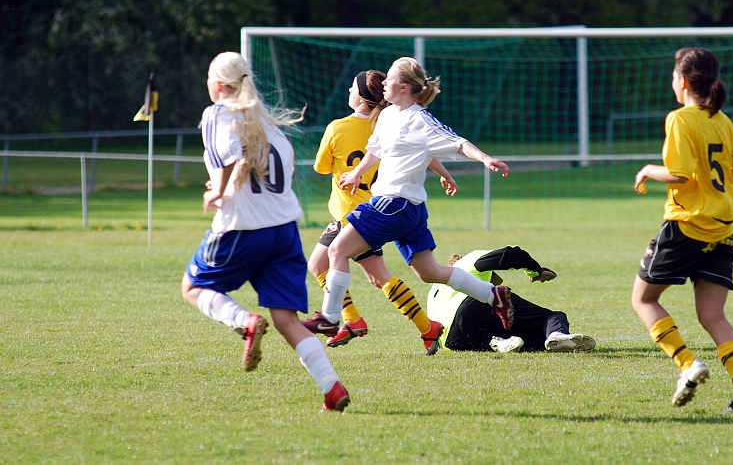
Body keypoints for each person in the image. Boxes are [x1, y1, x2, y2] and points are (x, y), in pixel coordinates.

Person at [180, 52, 349, 412]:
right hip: (284, 231)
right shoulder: (270, 126)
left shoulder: (217, 113)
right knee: (286, 319)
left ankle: (244, 322)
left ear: (220, 84)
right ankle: (331, 388)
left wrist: (219, 192)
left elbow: (228, 157)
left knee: (193, 287)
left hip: (243, 229)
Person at [323, 56, 514, 351]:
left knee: (336, 250)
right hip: (407, 210)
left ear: (402, 86)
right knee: (430, 273)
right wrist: (357, 173)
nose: (383, 82)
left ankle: (330, 318)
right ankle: (493, 295)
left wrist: (485, 158)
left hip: (392, 204)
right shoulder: (387, 115)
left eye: (388, 78)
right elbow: (376, 151)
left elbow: (458, 142)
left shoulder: (420, 119)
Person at [632, 47, 733, 413]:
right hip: (722, 231)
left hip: (687, 226)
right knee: (713, 315)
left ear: (684, 81)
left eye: (674, 76)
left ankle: (688, 364)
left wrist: (646, 170)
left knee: (643, 300)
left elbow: (680, 174)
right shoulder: (723, 120)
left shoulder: (681, 118)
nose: (672, 82)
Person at [302, 69, 460, 354]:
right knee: (377, 276)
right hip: (378, 207)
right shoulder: (388, 121)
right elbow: (423, 150)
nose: (348, 91)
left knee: (322, 265)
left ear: (361, 95)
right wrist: (445, 172)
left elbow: (321, 168)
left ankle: (349, 319)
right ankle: (425, 327)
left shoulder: (339, 127)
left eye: (352, 87)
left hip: (353, 213)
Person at [426, 246, 596, 353]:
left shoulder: (434, 290)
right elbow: (511, 255)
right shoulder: (468, 261)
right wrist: (536, 271)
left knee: (525, 341)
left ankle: (500, 343)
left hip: (452, 340)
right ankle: (557, 334)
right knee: (552, 317)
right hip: (470, 306)